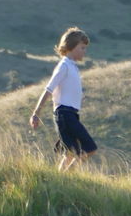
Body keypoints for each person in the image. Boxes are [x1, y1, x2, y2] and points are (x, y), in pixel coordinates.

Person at [28, 27, 95, 171]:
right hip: (64, 114)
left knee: (69, 153)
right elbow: (48, 89)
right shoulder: (64, 66)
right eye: (82, 48)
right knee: (90, 148)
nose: (85, 51)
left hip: (72, 114)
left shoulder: (73, 67)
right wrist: (36, 113)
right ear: (71, 47)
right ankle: (68, 175)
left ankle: (61, 178)